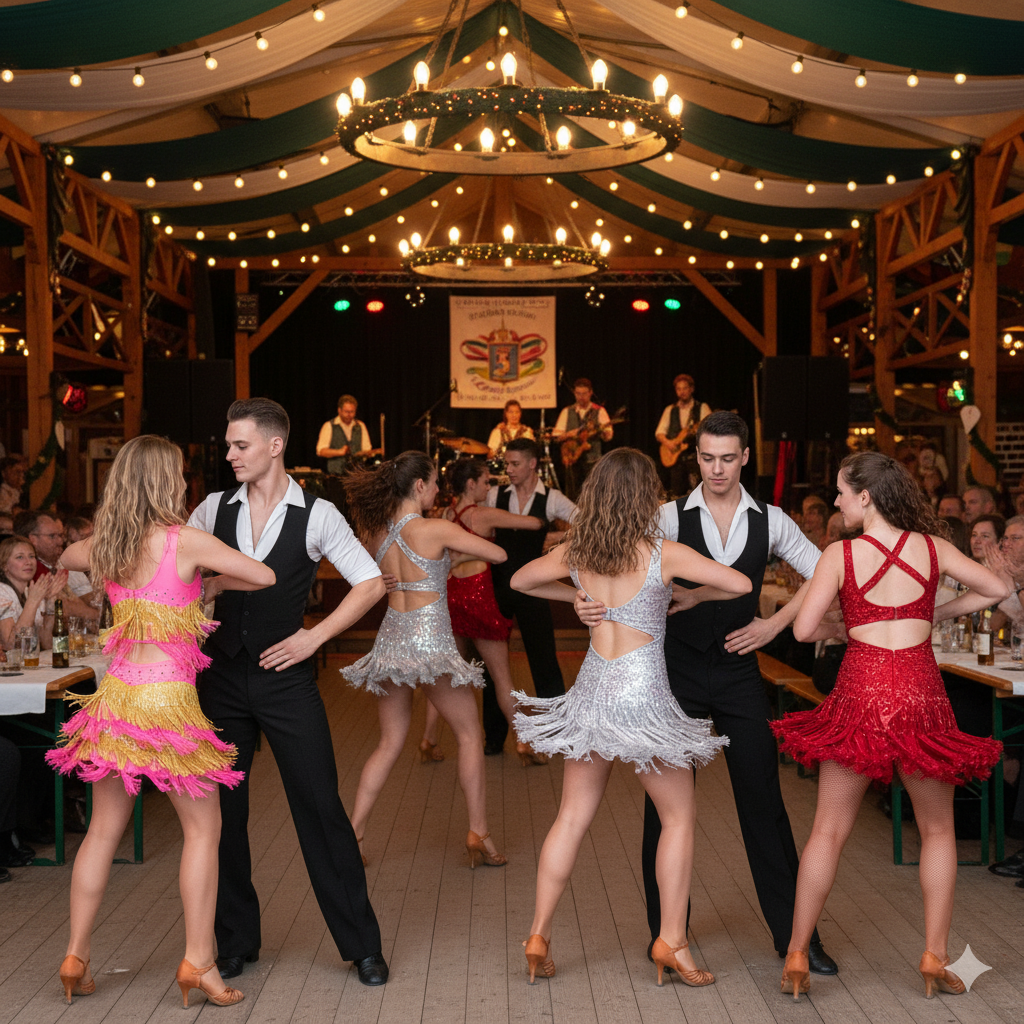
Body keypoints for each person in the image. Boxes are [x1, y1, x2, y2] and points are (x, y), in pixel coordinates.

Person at [575, 411, 839, 974]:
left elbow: (826, 574)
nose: (716, 469)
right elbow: (607, 566)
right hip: (675, 675)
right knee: (664, 812)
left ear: (746, 458)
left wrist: (776, 625)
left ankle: (797, 940)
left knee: (763, 804)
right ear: (695, 456)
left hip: (741, 675)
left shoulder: (772, 521)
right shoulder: (666, 516)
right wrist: (582, 602)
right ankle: (665, 938)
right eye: (706, 457)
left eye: (727, 458)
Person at [45, 434, 276, 1007]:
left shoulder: (106, 547)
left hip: (117, 701)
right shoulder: (187, 541)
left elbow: (64, 557)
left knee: (102, 832)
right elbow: (265, 576)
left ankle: (75, 954)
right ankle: (199, 961)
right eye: (176, 473)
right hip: (170, 704)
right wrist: (208, 580)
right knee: (203, 831)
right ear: (165, 482)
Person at [510, 449, 749, 985]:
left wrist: (574, 595)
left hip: (594, 691)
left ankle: (538, 934)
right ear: (648, 496)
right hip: (644, 700)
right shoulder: (664, 553)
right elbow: (740, 584)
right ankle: (673, 941)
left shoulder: (579, 550)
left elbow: (520, 580)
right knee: (679, 818)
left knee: (571, 817)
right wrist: (688, 595)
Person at [773, 451, 1005, 1000]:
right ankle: (934, 955)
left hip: (861, 689)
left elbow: (805, 631)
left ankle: (798, 954)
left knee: (828, 830)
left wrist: (853, 618)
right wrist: (933, 613)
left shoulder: (840, 554)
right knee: (938, 831)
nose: (835, 501)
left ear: (866, 496)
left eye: (840, 492)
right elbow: (999, 590)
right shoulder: (933, 548)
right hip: (921, 689)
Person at [188, 398, 390, 987]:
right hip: (219, 679)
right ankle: (235, 942)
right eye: (228, 444)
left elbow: (371, 582)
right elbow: (182, 579)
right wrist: (205, 594)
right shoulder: (210, 509)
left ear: (275, 445)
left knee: (321, 809)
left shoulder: (318, 513)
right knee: (222, 814)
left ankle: (362, 945)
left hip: (287, 681)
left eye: (240, 445)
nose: (229, 455)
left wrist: (315, 637)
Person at [342, 451, 508, 870]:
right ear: (419, 486)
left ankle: (353, 833)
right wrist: (452, 556)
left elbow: (361, 576)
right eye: (434, 483)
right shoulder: (435, 529)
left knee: (389, 742)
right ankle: (478, 831)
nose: (438, 490)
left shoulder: (375, 533)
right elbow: (498, 555)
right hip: (430, 644)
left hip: (392, 642)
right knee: (469, 736)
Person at [433, 457, 547, 766]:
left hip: (452, 596)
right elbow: (532, 523)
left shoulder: (445, 514)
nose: (489, 486)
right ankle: (523, 743)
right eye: (485, 481)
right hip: (478, 596)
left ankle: (428, 740)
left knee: (447, 674)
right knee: (501, 677)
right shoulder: (481, 515)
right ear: (471, 485)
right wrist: (542, 519)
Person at [483, 438, 577, 754]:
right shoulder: (495, 495)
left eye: (514, 464)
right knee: (492, 667)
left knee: (544, 661)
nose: (507, 470)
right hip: (497, 589)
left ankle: (556, 735)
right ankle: (493, 739)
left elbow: (585, 521)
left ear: (533, 464)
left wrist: (557, 538)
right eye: (506, 464)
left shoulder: (551, 498)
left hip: (535, 590)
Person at [12, 510, 97, 621]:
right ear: (33, 539)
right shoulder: (29, 569)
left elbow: (76, 600)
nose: (60, 541)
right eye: (52, 536)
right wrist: (96, 616)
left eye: (61, 535)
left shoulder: (53, 565)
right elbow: (61, 605)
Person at [552, 378, 613, 500]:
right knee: (574, 496)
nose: (581, 397)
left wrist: (603, 432)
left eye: (584, 393)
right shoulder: (567, 411)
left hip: (593, 460)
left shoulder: (599, 411)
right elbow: (556, 437)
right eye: (578, 393)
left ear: (590, 393)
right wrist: (570, 434)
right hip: (573, 460)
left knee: (594, 495)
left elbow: (609, 436)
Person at [0, 535, 64, 650]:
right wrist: (33, 602)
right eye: (20, 557)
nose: (28, 562)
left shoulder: (31, 590)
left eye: (31, 556)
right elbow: (11, 645)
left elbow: (48, 644)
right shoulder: (2, 592)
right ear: (5, 565)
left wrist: (50, 601)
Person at [654, 374, 710, 497]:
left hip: (695, 456)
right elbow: (659, 433)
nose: (682, 392)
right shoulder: (670, 409)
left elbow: (710, 430)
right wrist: (669, 443)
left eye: (684, 388)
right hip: (676, 459)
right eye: (678, 389)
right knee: (677, 493)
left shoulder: (702, 408)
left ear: (692, 389)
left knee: (699, 491)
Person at [316, 394, 373, 475]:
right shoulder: (329, 426)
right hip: (336, 475)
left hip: (357, 475)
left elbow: (367, 449)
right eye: (346, 411)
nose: (349, 414)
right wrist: (339, 452)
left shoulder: (360, 426)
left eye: (352, 412)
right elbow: (321, 451)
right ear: (339, 410)